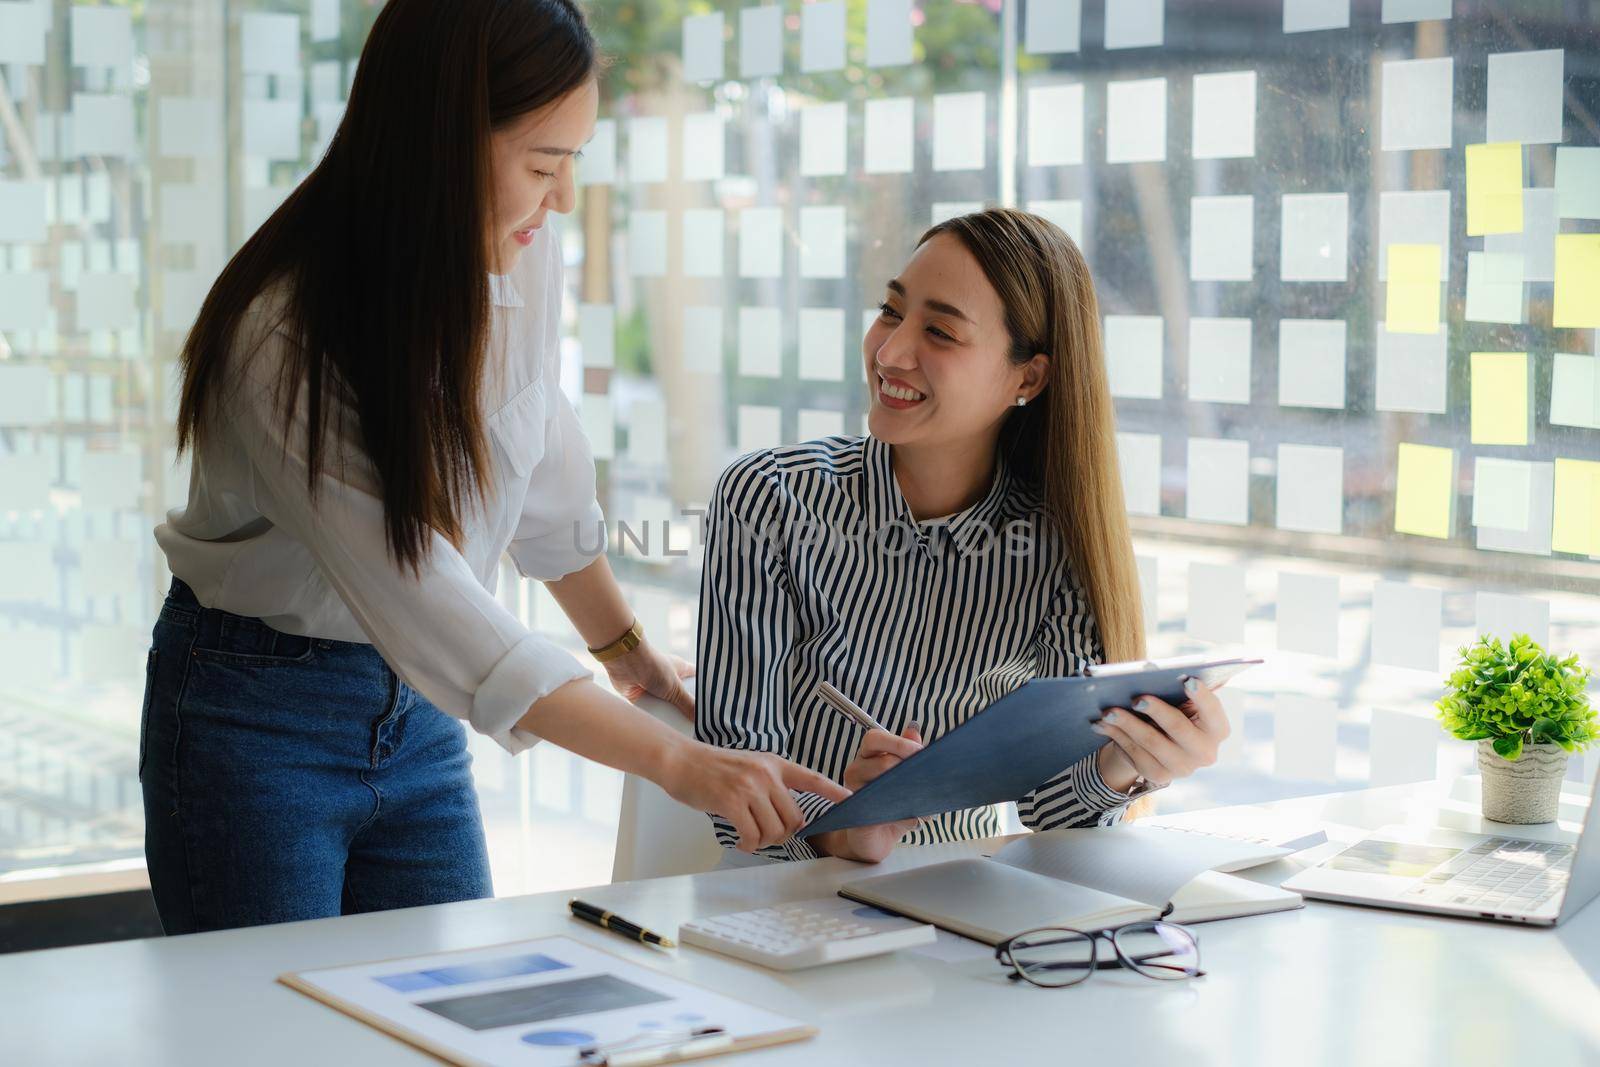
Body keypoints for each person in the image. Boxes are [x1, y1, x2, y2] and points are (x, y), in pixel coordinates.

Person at [141, 0, 846, 934]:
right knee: (283, 1031)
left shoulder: (515, 254)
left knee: (446, 1006)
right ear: (436, 141)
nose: (559, 200)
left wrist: (633, 660)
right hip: (258, 719)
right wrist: (677, 764)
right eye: (541, 163)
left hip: (420, 715)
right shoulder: (281, 336)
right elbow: (426, 596)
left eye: (572, 165)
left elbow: (538, 471)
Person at [696, 208, 1228, 863]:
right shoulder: (768, 498)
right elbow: (734, 776)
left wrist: (1130, 760)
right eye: (892, 312)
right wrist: (844, 827)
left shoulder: (1058, 539)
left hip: (962, 912)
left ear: (1027, 378)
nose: (889, 352)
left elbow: (1052, 809)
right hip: (783, 910)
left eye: (941, 331)